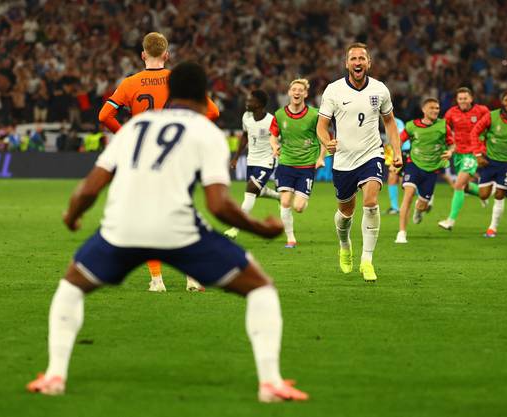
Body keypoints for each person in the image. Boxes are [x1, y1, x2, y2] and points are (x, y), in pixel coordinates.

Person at [26, 62, 309, 403]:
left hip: (121, 231)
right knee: (261, 288)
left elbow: (89, 188)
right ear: (205, 97)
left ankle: (55, 375)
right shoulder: (208, 133)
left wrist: (72, 216)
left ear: (171, 92)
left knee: (71, 287)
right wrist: (260, 230)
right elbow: (218, 205)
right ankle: (270, 383)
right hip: (179, 232)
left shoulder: (135, 127)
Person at [98, 32, 219, 292]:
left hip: (143, 160)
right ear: (166, 55)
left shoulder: (130, 83)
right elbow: (213, 111)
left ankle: (157, 280)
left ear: (143, 55)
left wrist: (129, 137)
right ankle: (193, 277)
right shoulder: (180, 81)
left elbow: (104, 115)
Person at [317, 42, 403, 282]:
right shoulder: (333, 91)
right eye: (353, 59)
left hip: (371, 154)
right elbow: (321, 126)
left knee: (371, 202)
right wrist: (327, 142)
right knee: (345, 212)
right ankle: (344, 245)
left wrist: (396, 151)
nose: (357, 63)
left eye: (361, 59)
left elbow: (390, 123)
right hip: (343, 160)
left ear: (368, 63)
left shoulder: (380, 89)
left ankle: (367, 260)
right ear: (347, 64)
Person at [269, 78, 326, 248]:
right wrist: (274, 146)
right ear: (289, 92)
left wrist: (321, 157)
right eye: (294, 89)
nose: (297, 92)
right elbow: (273, 135)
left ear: (305, 94)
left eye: (300, 90)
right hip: (285, 164)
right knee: (285, 202)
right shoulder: (279, 114)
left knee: (299, 207)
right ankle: (290, 238)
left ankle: (302, 199)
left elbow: (324, 137)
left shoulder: (314, 115)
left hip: (306, 166)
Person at [470, 90, 507, 237]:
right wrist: (477, 154)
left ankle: (492, 228)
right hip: (489, 161)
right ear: (502, 102)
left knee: (500, 194)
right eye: (506, 100)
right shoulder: (491, 116)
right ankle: (474, 189)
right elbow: (474, 132)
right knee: (483, 195)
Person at [395, 98, 453, 243]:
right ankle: (401, 233)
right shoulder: (411, 126)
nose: (435, 111)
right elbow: (399, 140)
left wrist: (450, 152)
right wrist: (396, 156)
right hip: (413, 164)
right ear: (424, 110)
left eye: (437, 108)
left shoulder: (443, 126)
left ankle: (419, 209)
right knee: (408, 195)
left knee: (423, 204)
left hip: (432, 169)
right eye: (432, 108)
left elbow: (452, 144)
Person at [225, 90, 280, 239]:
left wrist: (279, 151)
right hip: (251, 160)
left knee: (250, 189)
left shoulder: (271, 120)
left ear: (260, 104)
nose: (247, 103)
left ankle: (235, 228)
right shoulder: (246, 117)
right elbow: (244, 136)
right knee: (256, 190)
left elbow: (279, 139)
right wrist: (236, 157)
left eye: (251, 101)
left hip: (267, 160)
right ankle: (279, 196)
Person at [438, 87, 490, 230]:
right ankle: (483, 194)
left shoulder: (482, 111)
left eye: (465, 98)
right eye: (460, 98)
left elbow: (490, 127)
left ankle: (450, 221)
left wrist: (485, 145)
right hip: (458, 153)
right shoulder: (451, 113)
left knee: (458, 184)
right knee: (465, 187)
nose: (463, 101)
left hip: (474, 153)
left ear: (471, 98)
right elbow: (443, 129)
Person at [384, 116, 405, 215]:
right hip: (393, 151)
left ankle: (425, 197)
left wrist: (397, 153)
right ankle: (395, 208)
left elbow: (399, 138)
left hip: (402, 151)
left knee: (403, 182)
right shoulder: (380, 121)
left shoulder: (396, 121)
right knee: (392, 178)